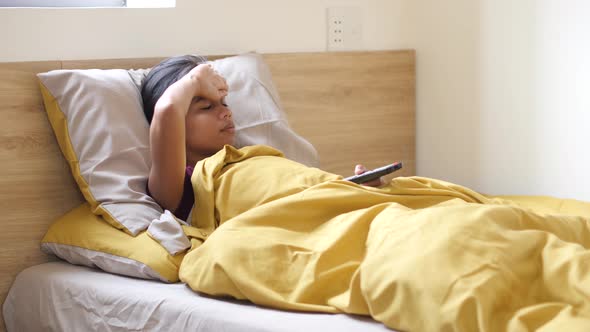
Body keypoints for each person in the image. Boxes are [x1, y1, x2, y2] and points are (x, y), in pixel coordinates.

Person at [141, 55, 382, 221]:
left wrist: (352, 189)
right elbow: (167, 110)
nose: (227, 112)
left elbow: (300, 193)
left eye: (224, 103)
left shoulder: (251, 157)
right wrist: (194, 80)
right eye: (206, 107)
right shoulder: (178, 187)